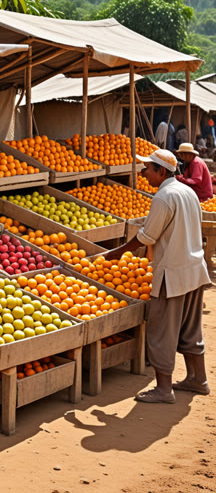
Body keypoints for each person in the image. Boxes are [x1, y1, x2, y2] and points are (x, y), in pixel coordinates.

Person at [104, 149, 211, 404]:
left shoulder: (164, 197)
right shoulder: (188, 192)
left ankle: (163, 390)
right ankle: (199, 380)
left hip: (172, 274)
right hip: (194, 270)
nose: (143, 173)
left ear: (162, 171)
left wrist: (116, 253)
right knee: (190, 329)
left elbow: (146, 237)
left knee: (161, 331)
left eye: (148, 168)